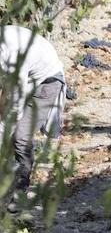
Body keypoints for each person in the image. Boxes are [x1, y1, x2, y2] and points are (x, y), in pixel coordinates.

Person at [1, 26, 66, 212]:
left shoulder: (13, 55)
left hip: (46, 82)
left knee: (20, 137)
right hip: (26, 77)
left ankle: (19, 192)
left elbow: (14, 106)